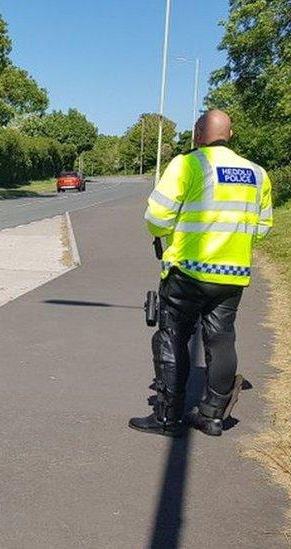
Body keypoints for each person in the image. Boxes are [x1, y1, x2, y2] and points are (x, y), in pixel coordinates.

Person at [130, 109, 274, 437]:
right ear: (231, 135)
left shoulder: (188, 164)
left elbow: (156, 216)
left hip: (187, 272)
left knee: (172, 337)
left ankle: (166, 417)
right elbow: (263, 229)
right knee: (222, 339)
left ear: (198, 135)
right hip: (232, 275)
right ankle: (211, 416)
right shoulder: (257, 174)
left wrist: (171, 232)